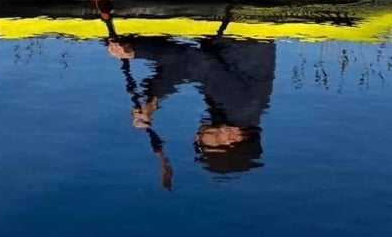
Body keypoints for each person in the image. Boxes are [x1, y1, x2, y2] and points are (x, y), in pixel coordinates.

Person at [106, 33, 275, 176]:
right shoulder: (241, 109)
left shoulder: (239, 111)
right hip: (234, 27)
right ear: (230, 139)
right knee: (117, 40)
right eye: (203, 146)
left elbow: (186, 66)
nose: (196, 138)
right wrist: (136, 50)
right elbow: (192, 61)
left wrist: (152, 100)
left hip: (228, 34)